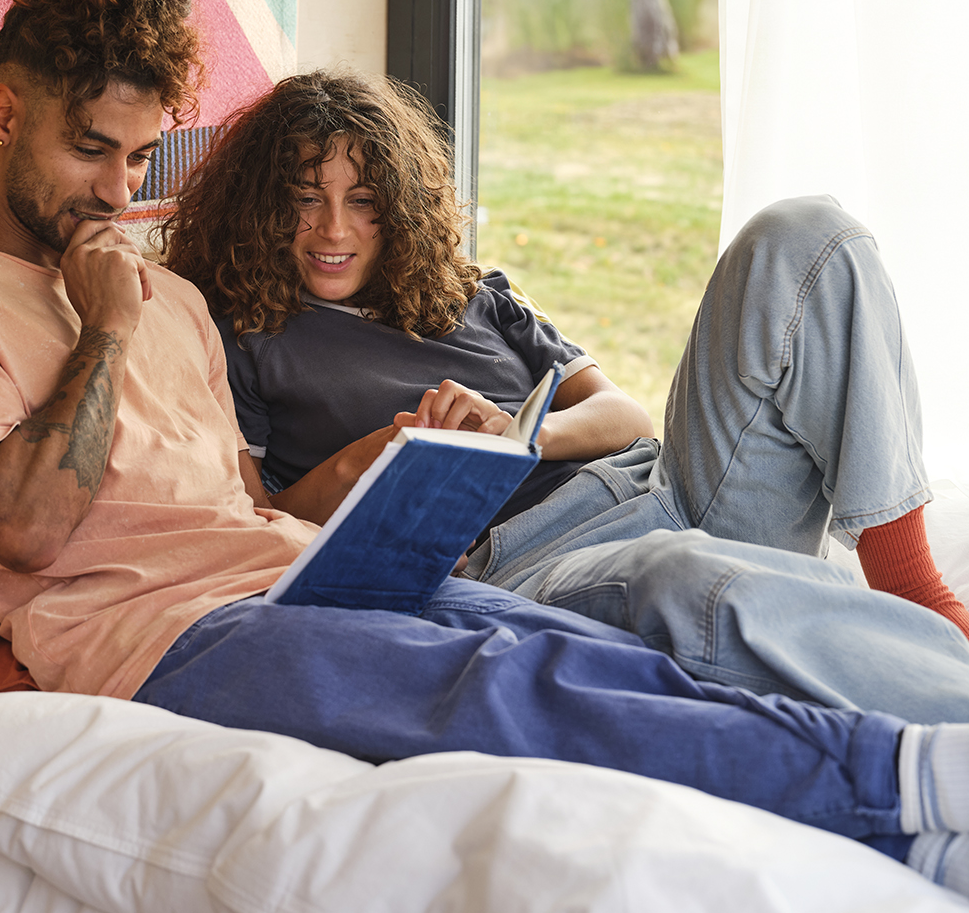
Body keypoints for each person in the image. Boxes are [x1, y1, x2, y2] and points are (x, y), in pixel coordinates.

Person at [0, 0, 969, 900]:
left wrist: (381, 496)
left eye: (141, 159)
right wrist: (103, 326)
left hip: (311, 579)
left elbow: (244, 500)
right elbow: (21, 526)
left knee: (601, 661)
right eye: (91, 151)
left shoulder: (170, 299)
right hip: (174, 635)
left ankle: (906, 790)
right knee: (520, 686)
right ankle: (896, 784)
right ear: (3, 114)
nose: (119, 193)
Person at [160, 68, 969, 724]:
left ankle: (910, 584)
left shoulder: (472, 294)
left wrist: (516, 436)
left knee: (806, 235)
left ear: (397, 205)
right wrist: (380, 460)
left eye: (363, 201)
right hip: (528, 560)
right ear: (263, 207)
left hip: (666, 484)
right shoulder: (238, 338)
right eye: (305, 198)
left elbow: (623, 415)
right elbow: (252, 520)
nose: (334, 228)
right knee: (685, 574)